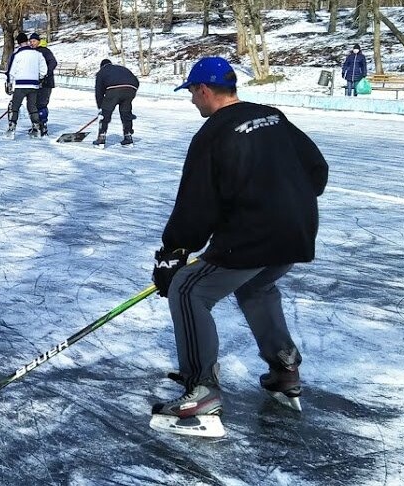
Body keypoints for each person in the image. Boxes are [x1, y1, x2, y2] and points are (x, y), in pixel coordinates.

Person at [148, 57, 329, 438]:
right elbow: (317, 168)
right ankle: (284, 369)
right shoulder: (271, 116)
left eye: (192, 94)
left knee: (187, 289)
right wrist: (288, 203)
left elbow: (197, 201)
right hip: (296, 230)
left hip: (254, 234)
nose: (193, 102)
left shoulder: (213, 133)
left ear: (203, 90)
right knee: (256, 286)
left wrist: (174, 252)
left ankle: (202, 391)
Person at [3, 32, 47, 137]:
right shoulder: (37, 54)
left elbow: (11, 71)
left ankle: (11, 128)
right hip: (34, 85)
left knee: (15, 107)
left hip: (20, 85)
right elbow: (44, 70)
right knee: (32, 107)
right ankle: (36, 129)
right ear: (27, 41)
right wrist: (39, 79)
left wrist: (9, 83)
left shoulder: (17, 55)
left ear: (18, 43)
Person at [93, 59, 139, 146]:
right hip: (131, 88)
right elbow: (135, 80)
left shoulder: (102, 71)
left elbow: (98, 91)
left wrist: (101, 107)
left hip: (114, 89)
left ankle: (101, 138)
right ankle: (128, 137)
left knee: (105, 115)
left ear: (102, 66)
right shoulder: (121, 68)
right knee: (126, 114)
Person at [31, 33, 57, 127]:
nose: (32, 43)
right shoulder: (33, 52)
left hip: (46, 83)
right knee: (34, 104)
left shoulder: (45, 51)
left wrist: (45, 74)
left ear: (38, 41)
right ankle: (36, 125)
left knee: (41, 104)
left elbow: (53, 62)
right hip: (35, 83)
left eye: (34, 41)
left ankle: (42, 124)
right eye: (30, 41)